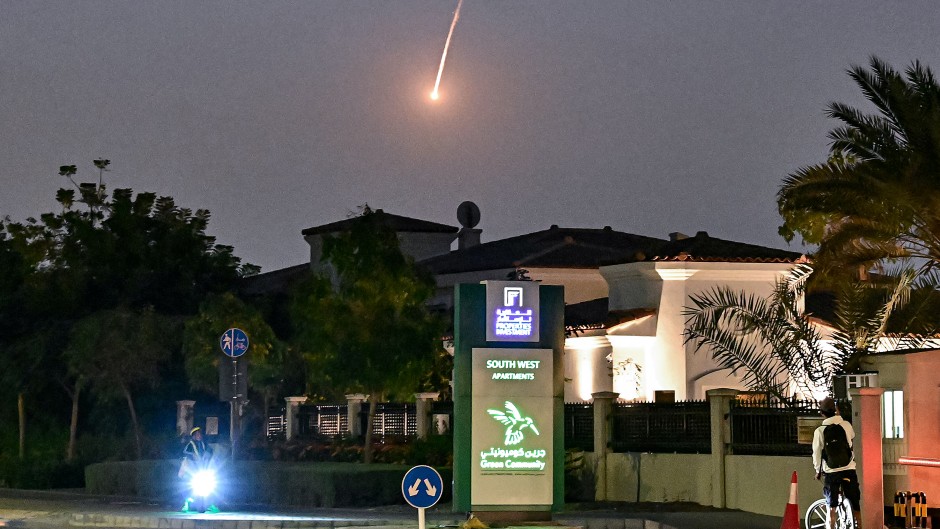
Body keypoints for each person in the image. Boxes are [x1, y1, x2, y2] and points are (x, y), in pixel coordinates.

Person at [812, 397, 861, 529]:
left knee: (831, 508)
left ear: (822, 413)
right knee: (856, 506)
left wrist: (817, 470)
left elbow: (816, 453)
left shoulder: (820, 431)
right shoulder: (846, 425)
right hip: (849, 468)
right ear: (836, 410)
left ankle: (831, 525)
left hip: (831, 471)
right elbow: (851, 439)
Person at [179, 427, 215, 513]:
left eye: (200, 434)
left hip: (203, 470)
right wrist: (192, 458)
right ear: (193, 436)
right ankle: (186, 504)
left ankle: (210, 504)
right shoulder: (190, 445)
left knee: (214, 486)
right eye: (197, 434)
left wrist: (208, 457)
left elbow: (210, 452)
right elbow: (185, 453)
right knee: (186, 485)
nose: (199, 436)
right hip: (192, 471)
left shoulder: (204, 444)